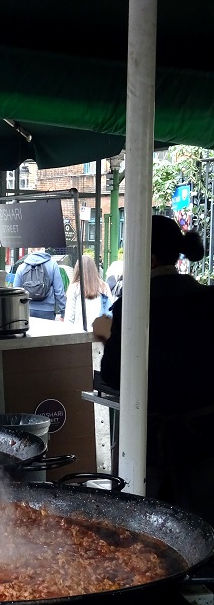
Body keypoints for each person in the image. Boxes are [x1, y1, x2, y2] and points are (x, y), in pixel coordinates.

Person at [93, 215, 214, 525]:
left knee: (151, 539)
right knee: (202, 531)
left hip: (152, 448)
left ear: (149, 258)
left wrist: (107, 335)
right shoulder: (209, 299)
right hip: (205, 444)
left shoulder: (132, 307)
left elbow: (114, 376)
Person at [13, 248, 66, 320]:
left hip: (27, 310)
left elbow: (16, 291)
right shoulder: (52, 264)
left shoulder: (22, 267)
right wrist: (63, 311)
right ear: (43, 249)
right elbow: (59, 291)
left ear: (31, 250)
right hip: (47, 310)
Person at [65, 255, 113, 331]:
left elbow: (69, 317)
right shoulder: (104, 286)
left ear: (77, 269)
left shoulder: (74, 288)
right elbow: (110, 309)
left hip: (79, 333)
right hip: (100, 333)